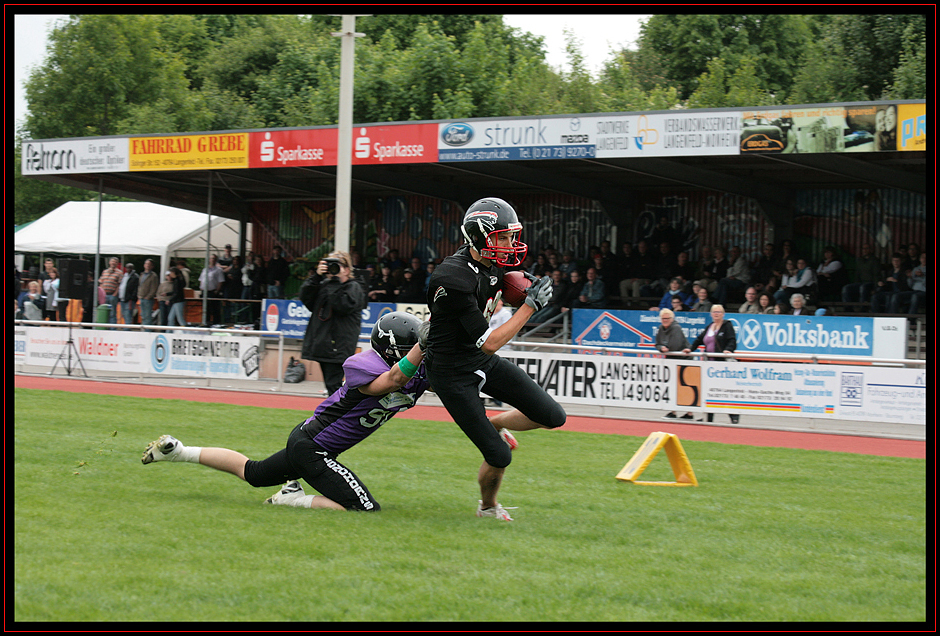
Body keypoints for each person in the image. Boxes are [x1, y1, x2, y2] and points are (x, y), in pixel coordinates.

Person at [142, 312, 437, 512]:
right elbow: (394, 380)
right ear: (394, 348)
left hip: (311, 443)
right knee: (364, 509)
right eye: (415, 347)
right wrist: (422, 344)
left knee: (253, 473)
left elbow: (450, 382)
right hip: (313, 448)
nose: (421, 352)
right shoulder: (365, 365)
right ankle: (294, 500)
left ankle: (178, 451)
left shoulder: (417, 370)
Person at [424, 197, 566, 521]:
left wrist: (530, 286)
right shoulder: (452, 276)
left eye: (510, 236)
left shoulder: (494, 262)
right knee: (499, 455)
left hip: (476, 359)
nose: (509, 244)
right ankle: (487, 508)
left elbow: (509, 282)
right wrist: (530, 306)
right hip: (451, 371)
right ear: (478, 237)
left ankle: (496, 423)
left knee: (553, 415)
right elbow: (490, 343)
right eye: (501, 237)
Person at [299, 250, 365, 396]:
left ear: (347, 270)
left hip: (338, 347)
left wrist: (334, 281)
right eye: (330, 264)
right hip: (326, 346)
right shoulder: (325, 285)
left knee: (335, 388)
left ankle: (337, 417)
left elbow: (341, 306)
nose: (333, 268)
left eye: (337, 265)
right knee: (333, 387)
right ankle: (337, 416)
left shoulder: (353, 287)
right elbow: (306, 298)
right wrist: (316, 276)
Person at [683, 305, 739, 424]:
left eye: (718, 312)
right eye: (714, 312)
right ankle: (708, 418)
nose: (716, 314)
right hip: (709, 364)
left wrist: (728, 350)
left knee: (724, 391)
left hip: (721, 364)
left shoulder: (727, 325)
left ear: (723, 314)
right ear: (711, 314)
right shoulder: (710, 327)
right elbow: (699, 340)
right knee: (708, 391)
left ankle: (734, 414)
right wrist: (690, 349)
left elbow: (732, 340)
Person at [656, 308, 693, 420]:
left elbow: (675, 345)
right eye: (663, 318)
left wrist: (666, 348)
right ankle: (673, 411)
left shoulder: (676, 328)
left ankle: (689, 413)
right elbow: (657, 343)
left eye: (667, 318)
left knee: (684, 387)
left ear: (672, 319)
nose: (665, 320)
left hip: (683, 360)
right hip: (671, 360)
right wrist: (661, 348)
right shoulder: (661, 329)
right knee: (672, 386)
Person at [841, 243, 882, 309]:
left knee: (863, 288)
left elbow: (876, 275)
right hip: (861, 283)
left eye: (867, 248)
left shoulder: (874, 260)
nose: (865, 250)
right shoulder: (859, 260)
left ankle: (863, 309)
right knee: (846, 288)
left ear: (871, 250)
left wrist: (875, 288)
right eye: (863, 249)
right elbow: (857, 274)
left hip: (870, 283)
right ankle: (848, 309)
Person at [198, 254, 225, 325]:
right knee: (206, 308)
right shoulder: (205, 269)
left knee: (214, 308)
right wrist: (201, 288)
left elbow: (221, 281)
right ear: (209, 259)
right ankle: (206, 322)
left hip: (212, 291)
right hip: (204, 291)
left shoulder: (218, 270)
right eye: (211, 258)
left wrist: (217, 291)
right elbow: (201, 279)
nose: (212, 260)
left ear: (216, 260)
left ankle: (216, 323)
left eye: (214, 259)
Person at [98, 257, 123, 324]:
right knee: (104, 312)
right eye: (112, 261)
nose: (113, 263)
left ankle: (112, 328)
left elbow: (119, 285)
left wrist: (115, 294)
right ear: (109, 262)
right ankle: (104, 326)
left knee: (112, 313)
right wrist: (101, 294)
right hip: (104, 295)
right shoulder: (105, 272)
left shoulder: (119, 273)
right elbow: (101, 282)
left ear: (117, 264)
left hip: (112, 295)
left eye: (115, 262)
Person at [223, 255, 244, 323]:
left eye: (236, 260)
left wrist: (233, 277)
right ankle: (227, 317)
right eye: (234, 260)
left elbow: (239, 277)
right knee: (228, 303)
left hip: (237, 287)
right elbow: (225, 272)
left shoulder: (240, 268)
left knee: (236, 303)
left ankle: (236, 317)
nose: (235, 261)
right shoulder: (231, 267)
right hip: (229, 287)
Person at [138, 259, 160, 327]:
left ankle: (148, 330)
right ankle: (144, 329)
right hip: (141, 297)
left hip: (148, 299)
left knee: (148, 315)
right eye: (146, 264)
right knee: (143, 315)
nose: (147, 265)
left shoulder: (153, 276)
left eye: (149, 264)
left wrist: (149, 296)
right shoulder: (142, 274)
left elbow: (154, 287)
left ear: (152, 266)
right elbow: (140, 285)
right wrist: (138, 295)